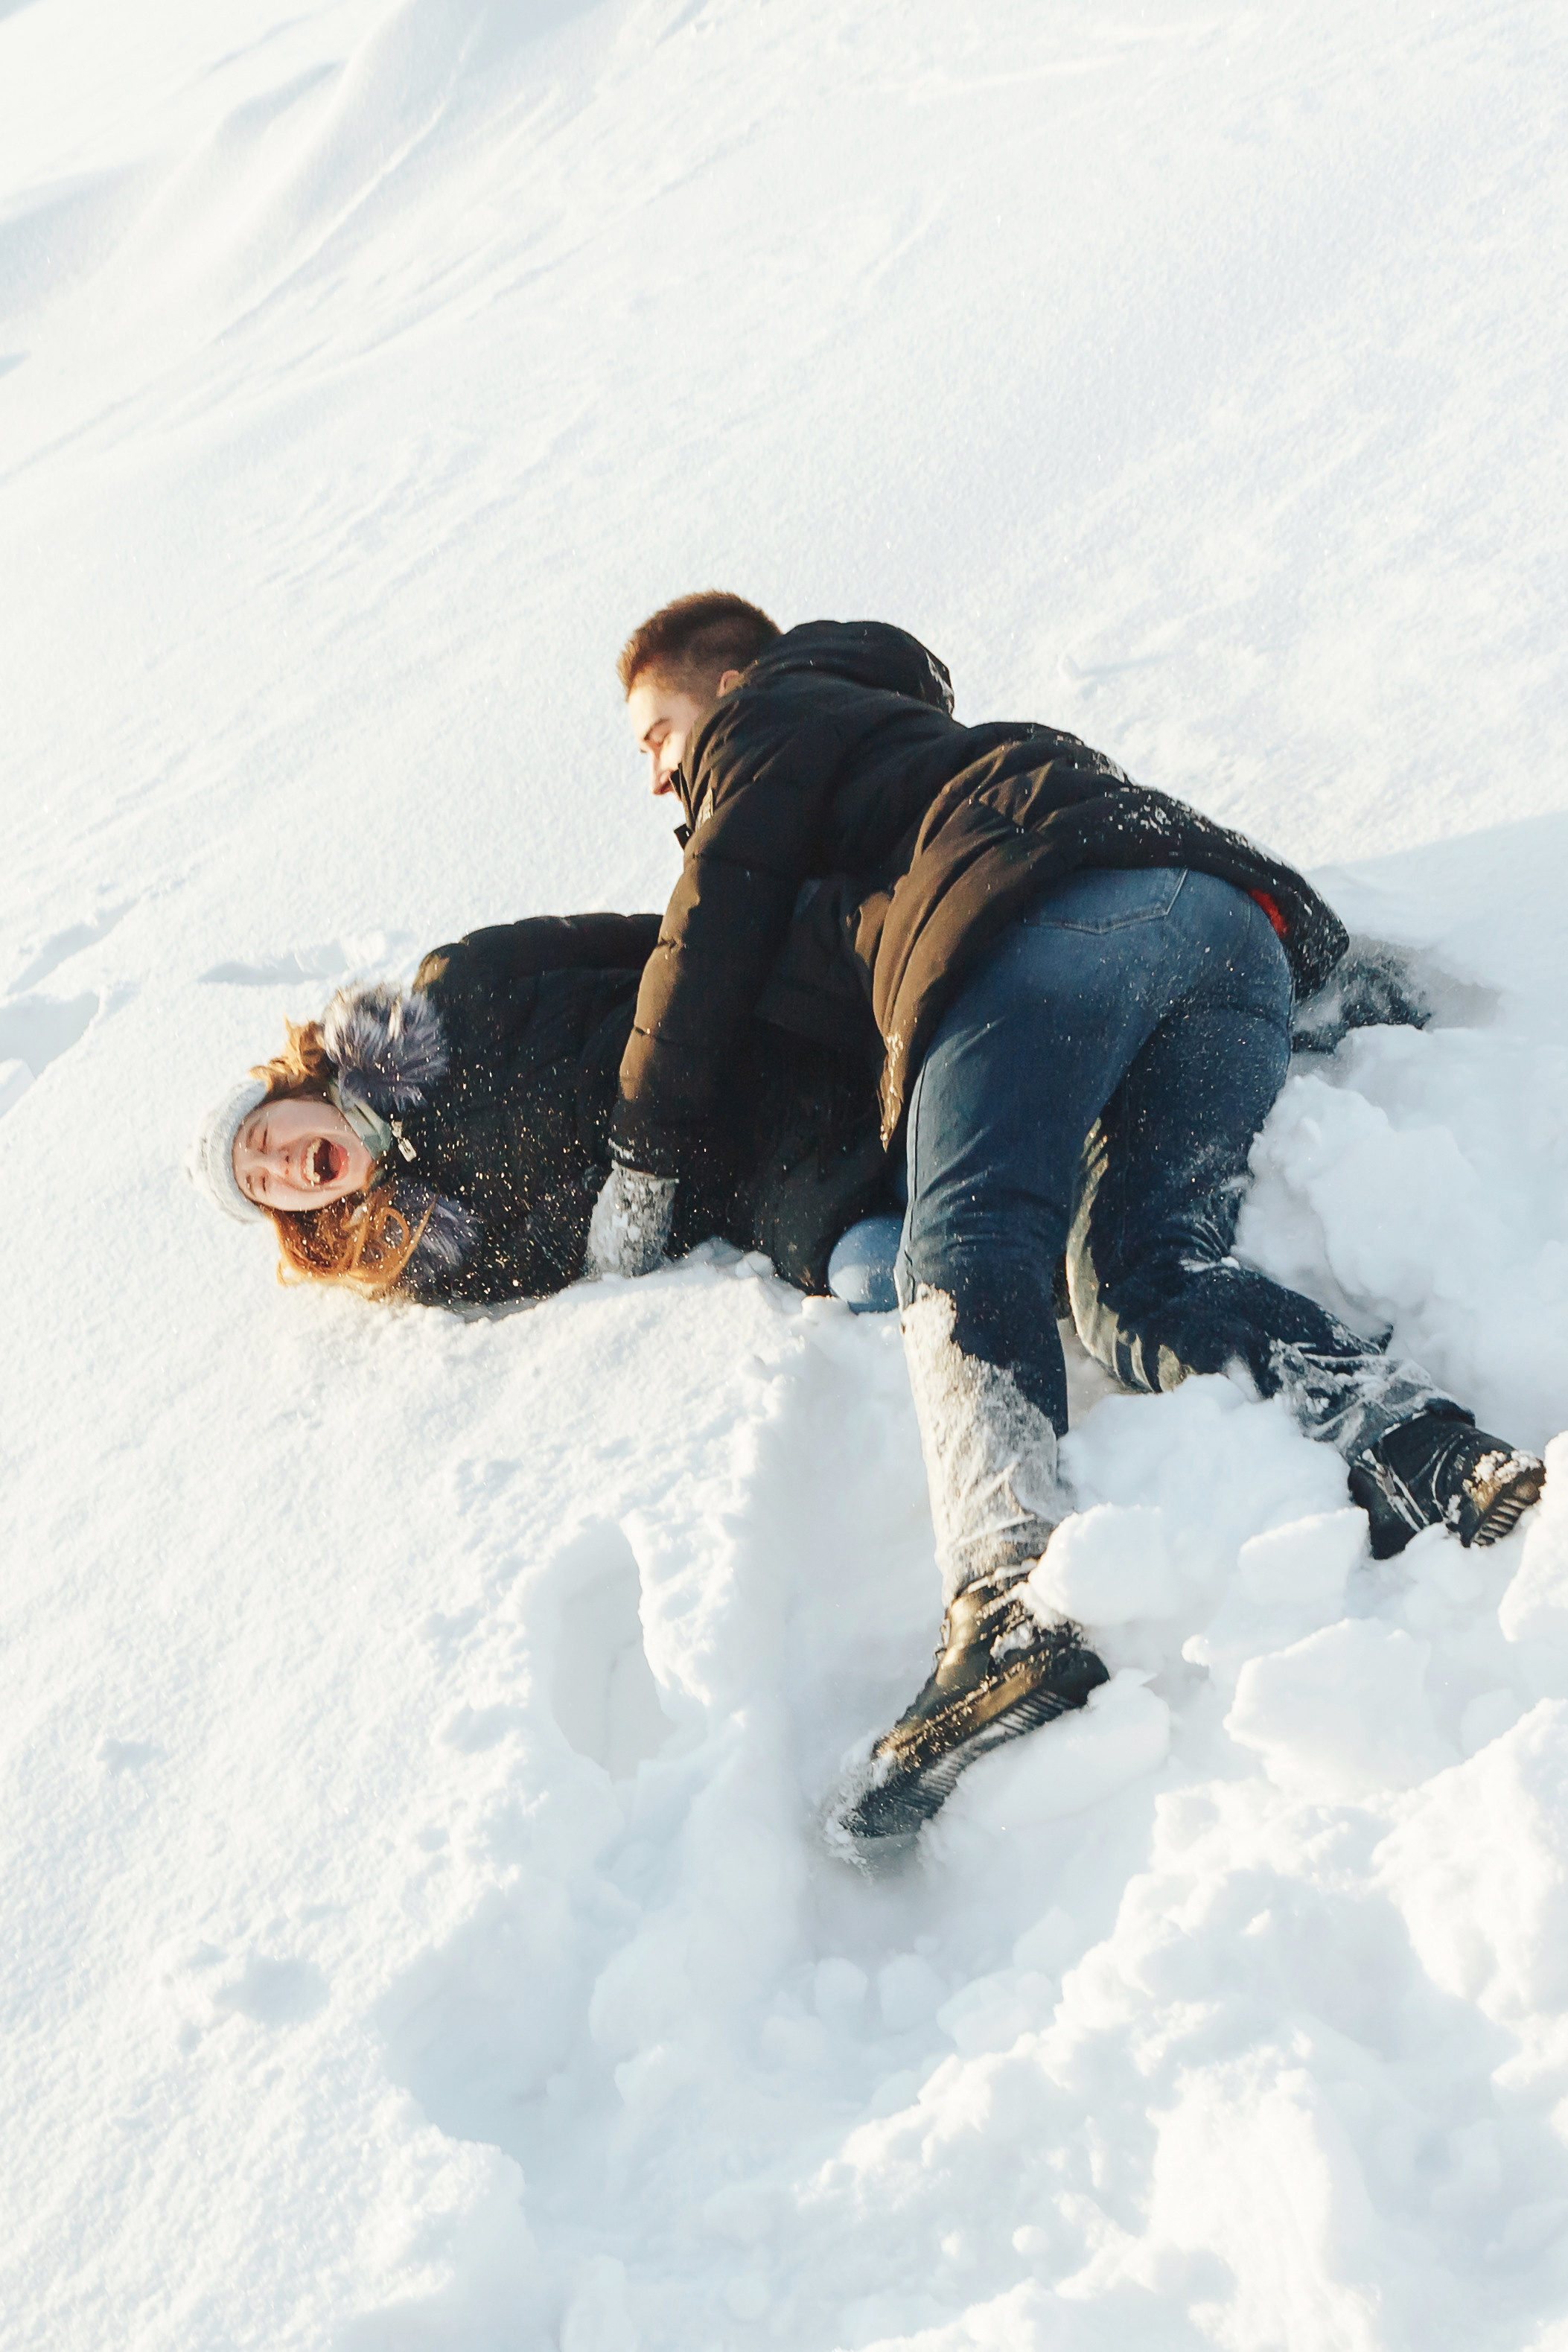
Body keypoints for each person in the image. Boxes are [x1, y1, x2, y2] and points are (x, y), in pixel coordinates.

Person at [599, 595, 1547, 1838]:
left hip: (1041, 933)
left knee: (970, 1235)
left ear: (721, 689)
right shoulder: (928, 754)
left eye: (656, 735)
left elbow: (704, 928)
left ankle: (1006, 1603)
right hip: (1227, 939)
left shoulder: (768, 720)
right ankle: (1421, 1446)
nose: (658, 775)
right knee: (1144, 1270)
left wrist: (640, 1158)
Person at [188, 913, 891, 1307]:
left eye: (260, 1136)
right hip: (746, 1173)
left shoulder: (451, 988)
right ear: (293, 1212)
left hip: (728, 1025)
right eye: (260, 1183)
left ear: (291, 1094)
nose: (277, 1162)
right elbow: (571, 1246)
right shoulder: (431, 1248)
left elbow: (620, 941)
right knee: (864, 1266)